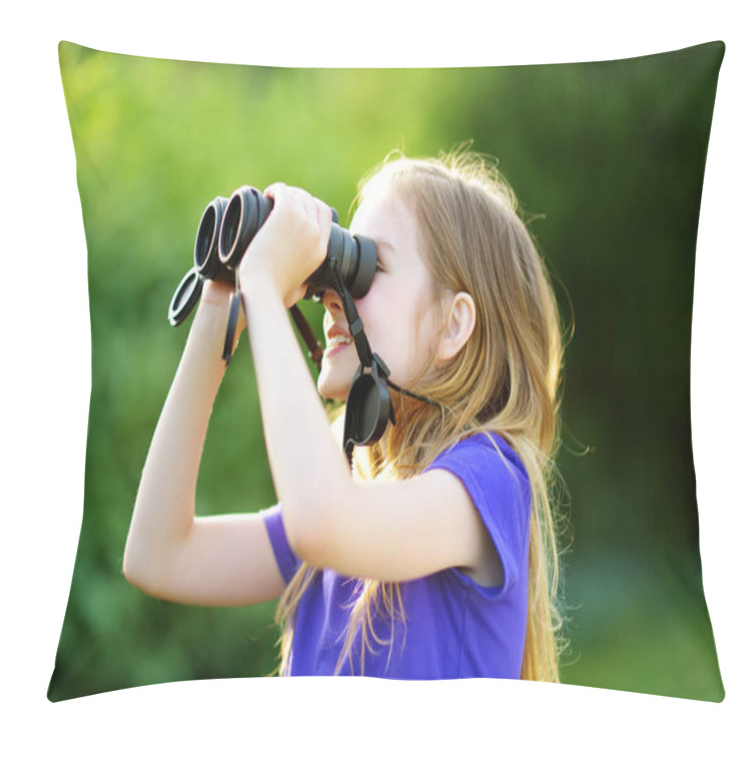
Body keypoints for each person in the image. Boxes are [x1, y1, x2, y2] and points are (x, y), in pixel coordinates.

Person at [124, 149, 566, 681]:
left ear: (453, 325)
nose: (332, 292)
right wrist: (225, 296)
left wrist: (266, 285)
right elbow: (158, 554)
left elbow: (322, 521)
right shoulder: (345, 493)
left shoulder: (489, 479)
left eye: (365, 265)